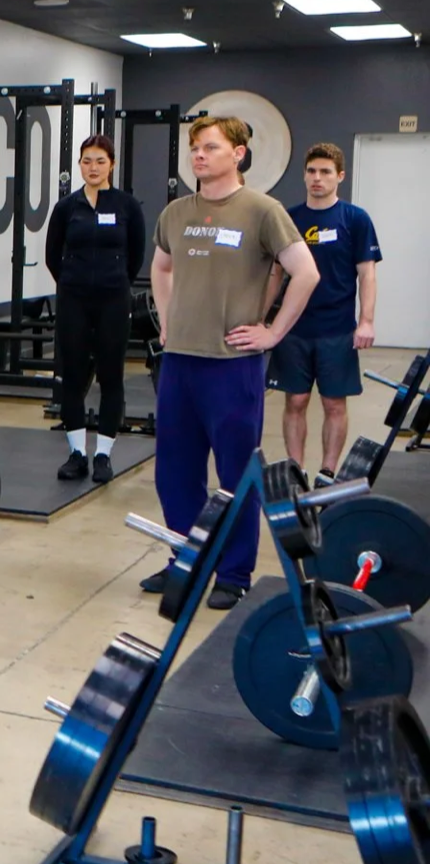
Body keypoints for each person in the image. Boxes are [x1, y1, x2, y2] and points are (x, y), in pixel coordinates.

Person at [141, 117, 318, 610]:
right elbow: (161, 265)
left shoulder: (263, 210)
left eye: (210, 147)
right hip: (179, 362)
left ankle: (234, 572)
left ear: (238, 154)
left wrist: (273, 332)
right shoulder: (177, 212)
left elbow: (305, 272)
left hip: (232, 365)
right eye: (195, 148)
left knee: (235, 473)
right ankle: (186, 558)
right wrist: (166, 319)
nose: (199, 155)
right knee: (174, 472)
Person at [265, 142, 382, 479]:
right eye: (312, 171)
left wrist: (367, 321)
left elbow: (367, 273)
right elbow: (276, 273)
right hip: (294, 329)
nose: (317, 178)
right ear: (304, 175)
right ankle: (296, 469)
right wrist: (261, 317)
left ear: (339, 176)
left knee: (334, 404)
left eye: (325, 172)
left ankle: (327, 472)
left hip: (337, 329)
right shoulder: (290, 218)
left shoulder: (355, 219)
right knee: (295, 401)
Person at [45, 134, 146, 483]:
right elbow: (52, 255)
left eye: (100, 161)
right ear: (79, 165)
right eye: (87, 161)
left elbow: (136, 256)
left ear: (112, 165)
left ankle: (103, 455)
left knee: (110, 376)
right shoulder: (67, 208)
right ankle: (77, 453)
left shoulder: (127, 206)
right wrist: (73, 282)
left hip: (113, 300)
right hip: (73, 299)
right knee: (72, 376)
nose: (93, 167)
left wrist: (113, 280)